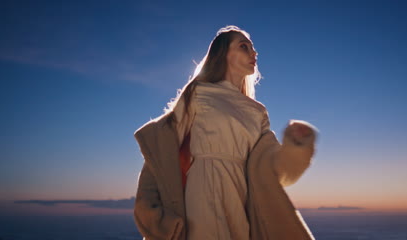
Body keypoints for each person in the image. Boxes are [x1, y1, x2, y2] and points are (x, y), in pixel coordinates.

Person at [133, 25, 317, 240]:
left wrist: (296, 145)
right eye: (244, 46)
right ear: (224, 54)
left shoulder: (257, 111)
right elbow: (161, 151)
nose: (254, 53)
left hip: (240, 198)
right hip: (200, 190)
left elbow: (270, 166)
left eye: (252, 48)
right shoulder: (198, 92)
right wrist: (150, 211)